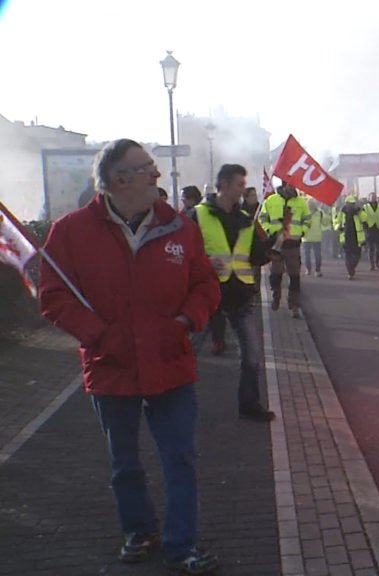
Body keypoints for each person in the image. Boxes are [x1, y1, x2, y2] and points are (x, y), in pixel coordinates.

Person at [38, 139, 221, 573]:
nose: (158, 176)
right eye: (148, 169)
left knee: (180, 457)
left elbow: (205, 287)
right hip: (110, 367)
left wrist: (184, 322)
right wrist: (98, 336)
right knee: (124, 463)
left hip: (170, 363)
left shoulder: (180, 227)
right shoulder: (70, 232)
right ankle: (139, 530)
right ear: (119, 179)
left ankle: (183, 545)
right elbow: (53, 296)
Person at [192, 163, 276, 422]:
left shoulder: (246, 219)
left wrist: (272, 245)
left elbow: (254, 256)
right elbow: (182, 256)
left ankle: (249, 405)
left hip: (240, 293)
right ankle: (173, 405)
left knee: (252, 354)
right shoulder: (196, 215)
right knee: (185, 353)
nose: (244, 190)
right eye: (240, 184)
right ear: (225, 185)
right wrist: (206, 264)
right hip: (205, 294)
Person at [260, 183, 310, 317]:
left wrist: (302, 232)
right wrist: (270, 230)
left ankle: (294, 305)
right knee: (275, 275)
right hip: (277, 244)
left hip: (293, 244)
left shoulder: (301, 202)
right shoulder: (271, 200)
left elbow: (307, 220)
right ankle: (276, 296)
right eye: (291, 183)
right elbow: (262, 218)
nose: (294, 186)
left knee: (294, 277)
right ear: (284, 184)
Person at [335, 194, 366, 280]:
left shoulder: (358, 211)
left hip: (357, 238)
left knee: (357, 255)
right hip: (346, 237)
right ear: (346, 204)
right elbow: (336, 221)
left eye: (353, 204)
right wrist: (339, 227)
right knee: (348, 255)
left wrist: (359, 212)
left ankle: (352, 267)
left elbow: (364, 219)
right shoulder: (342, 211)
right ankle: (350, 271)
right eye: (350, 203)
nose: (351, 205)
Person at [361, 192, 379, 270]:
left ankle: (377, 262)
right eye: (371, 197)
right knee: (370, 248)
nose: (373, 198)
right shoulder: (365, 207)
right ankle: (371, 264)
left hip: (378, 229)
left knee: (378, 247)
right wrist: (365, 228)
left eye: (374, 197)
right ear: (369, 198)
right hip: (369, 229)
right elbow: (363, 218)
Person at [303, 198, 328, 277]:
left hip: (307, 237)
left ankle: (308, 269)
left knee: (308, 255)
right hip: (314, 237)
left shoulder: (305, 213)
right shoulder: (320, 212)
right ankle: (317, 270)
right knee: (315, 255)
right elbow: (325, 223)